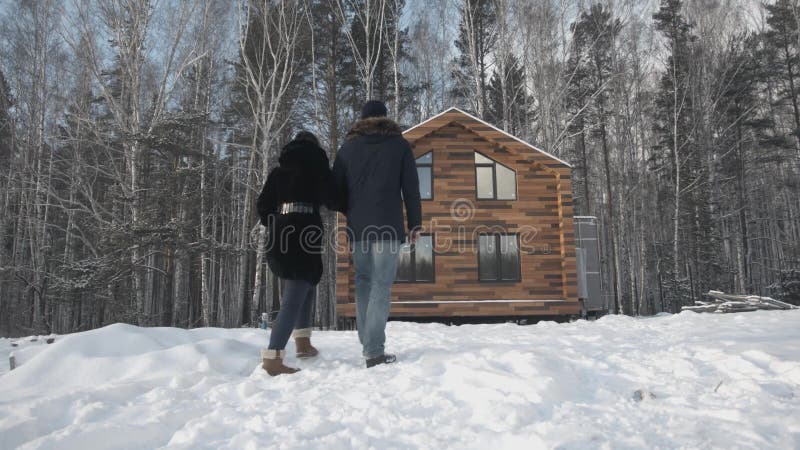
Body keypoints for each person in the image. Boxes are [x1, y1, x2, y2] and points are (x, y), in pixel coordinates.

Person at [332, 100, 422, 368]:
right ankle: (373, 349)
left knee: (363, 281)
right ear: (384, 117)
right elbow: (412, 189)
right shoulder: (399, 145)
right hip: (387, 226)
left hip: (359, 228)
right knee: (381, 285)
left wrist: (351, 209)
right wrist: (415, 224)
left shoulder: (348, 148)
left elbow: (336, 190)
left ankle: (368, 341)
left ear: (362, 120)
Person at [256, 131, 337, 376]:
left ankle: (302, 343)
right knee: (296, 292)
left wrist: (277, 222)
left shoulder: (278, 173)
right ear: (314, 148)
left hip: (281, 231)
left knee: (306, 284)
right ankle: (273, 357)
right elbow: (332, 200)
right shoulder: (318, 168)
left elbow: (263, 206)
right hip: (305, 230)